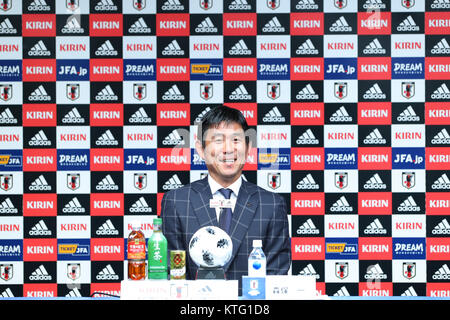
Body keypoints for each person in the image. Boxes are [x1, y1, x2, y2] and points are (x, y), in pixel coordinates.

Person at [161, 105, 291, 289]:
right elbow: (172, 275)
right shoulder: (176, 202)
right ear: (201, 149)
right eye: (218, 140)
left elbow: (276, 278)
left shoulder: (271, 204)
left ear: (248, 148)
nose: (228, 149)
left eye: (236, 140)